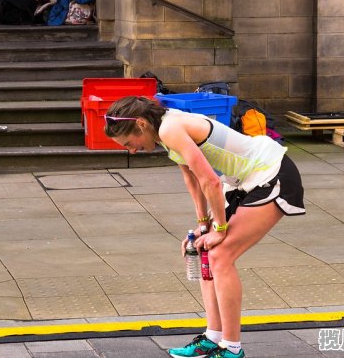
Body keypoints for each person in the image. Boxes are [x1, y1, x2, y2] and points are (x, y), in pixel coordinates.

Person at [103, 96, 305, 358]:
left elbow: (209, 180)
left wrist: (219, 228)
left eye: (129, 143)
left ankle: (232, 349)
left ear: (140, 124)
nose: (131, 150)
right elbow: (192, 178)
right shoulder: (163, 130)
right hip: (244, 180)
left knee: (221, 255)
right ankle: (213, 337)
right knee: (202, 250)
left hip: (270, 172)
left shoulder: (169, 128)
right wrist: (203, 225)